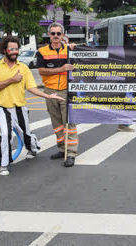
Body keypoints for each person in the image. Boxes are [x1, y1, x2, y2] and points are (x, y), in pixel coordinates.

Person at [0, 35, 64, 176]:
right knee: (5, 134)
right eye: (11, 49)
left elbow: (31, 88)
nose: (15, 51)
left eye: (16, 49)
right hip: (2, 107)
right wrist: (12, 80)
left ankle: (33, 147)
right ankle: (3, 164)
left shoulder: (23, 67)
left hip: (20, 107)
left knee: (25, 135)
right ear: (4, 50)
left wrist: (47, 95)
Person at [36, 23, 78, 167]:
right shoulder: (41, 52)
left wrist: (74, 47)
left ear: (63, 35)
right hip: (50, 91)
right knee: (57, 124)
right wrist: (61, 69)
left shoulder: (69, 50)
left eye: (58, 34)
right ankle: (62, 149)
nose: (55, 36)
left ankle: (71, 153)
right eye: (53, 33)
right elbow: (41, 70)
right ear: (49, 35)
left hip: (67, 90)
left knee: (69, 123)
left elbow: (88, 53)